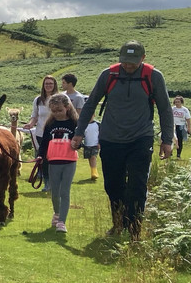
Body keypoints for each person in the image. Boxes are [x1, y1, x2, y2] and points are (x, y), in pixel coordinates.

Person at [72, 41, 174, 239]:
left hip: (140, 139)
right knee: (113, 185)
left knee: (137, 186)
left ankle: (134, 229)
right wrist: (79, 131)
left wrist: (167, 139)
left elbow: (164, 109)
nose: (128, 66)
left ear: (143, 59)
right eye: (125, 62)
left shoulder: (153, 76)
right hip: (111, 139)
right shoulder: (109, 75)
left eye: (133, 63)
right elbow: (91, 103)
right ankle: (118, 224)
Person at [36, 93, 78, 233]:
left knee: (65, 192)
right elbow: (44, 143)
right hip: (53, 161)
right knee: (54, 192)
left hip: (69, 161)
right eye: (54, 111)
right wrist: (40, 156)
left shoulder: (73, 123)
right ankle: (57, 213)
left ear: (67, 107)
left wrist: (76, 144)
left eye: (59, 110)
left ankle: (62, 222)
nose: (57, 113)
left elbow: (79, 141)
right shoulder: (50, 124)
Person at [25, 75, 58, 191]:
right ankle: (47, 183)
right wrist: (30, 124)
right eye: (46, 84)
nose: (48, 86)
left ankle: (56, 182)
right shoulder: (38, 100)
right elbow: (34, 116)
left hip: (56, 133)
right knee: (43, 158)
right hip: (41, 134)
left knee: (55, 159)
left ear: (55, 85)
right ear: (43, 86)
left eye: (51, 83)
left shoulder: (59, 98)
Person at [83, 115, 100, 180]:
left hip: (95, 144)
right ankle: (92, 171)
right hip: (87, 144)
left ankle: (95, 173)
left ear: (94, 115)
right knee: (90, 158)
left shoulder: (97, 124)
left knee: (93, 157)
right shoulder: (84, 125)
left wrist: (99, 142)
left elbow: (101, 133)